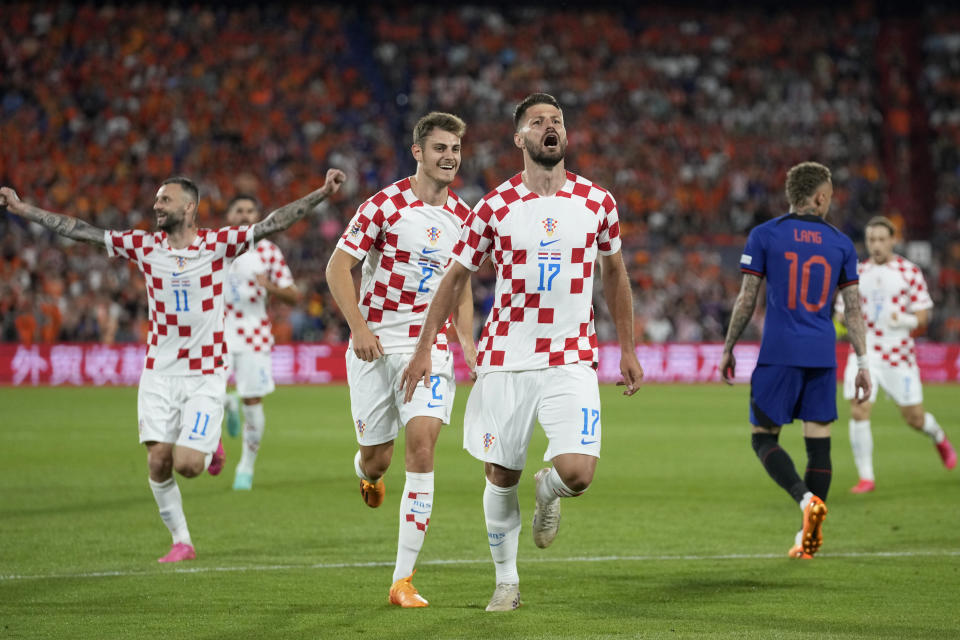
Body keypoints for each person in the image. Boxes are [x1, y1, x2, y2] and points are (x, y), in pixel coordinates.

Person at [0, 169, 345, 562]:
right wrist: (22, 208)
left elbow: (274, 222)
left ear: (189, 207)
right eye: (156, 200)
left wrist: (321, 192)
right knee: (158, 460)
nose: (156, 206)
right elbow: (81, 230)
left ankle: (210, 439)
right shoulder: (145, 246)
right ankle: (182, 540)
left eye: (165, 200)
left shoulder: (218, 245)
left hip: (205, 373)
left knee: (188, 466)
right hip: (160, 372)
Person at [400, 93, 644, 611]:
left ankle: (549, 490)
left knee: (578, 471)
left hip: (572, 356)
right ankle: (506, 581)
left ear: (566, 135)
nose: (549, 127)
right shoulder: (494, 207)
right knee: (500, 475)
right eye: (538, 122)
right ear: (520, 139)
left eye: (557, 120)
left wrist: (627, 346)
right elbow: (454, 280)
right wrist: (425, 347)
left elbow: (616, 274)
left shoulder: (597, 201)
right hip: (507, 358)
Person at [325, 112, 476, 608]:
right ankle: (367, 473)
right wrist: (359, 327)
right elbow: (337, 268)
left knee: (423, 447)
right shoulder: (383, 206)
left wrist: (468, 345)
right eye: (439, 148)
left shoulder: (464, 218)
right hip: (373, 348)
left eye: (454, 148)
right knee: (379, 456)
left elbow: (462, 286)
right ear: (418, 152)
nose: (449, 156)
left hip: (427, 348)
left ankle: (402, 580)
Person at [719, 161, 872, 560]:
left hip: (780, 353)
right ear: (820, 197)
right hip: (822, 355)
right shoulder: (841, 243)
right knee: (819, 446)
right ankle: (809, 536)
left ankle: (806, 502)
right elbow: (853, 311)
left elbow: (747, 298)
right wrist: (864, 362)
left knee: (763, 437)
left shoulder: (765, 235)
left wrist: (728, 347)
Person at [837, 216, 956, 493]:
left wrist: (902, 320)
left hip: (898, 355)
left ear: (892, 240)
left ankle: (937, 436)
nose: (876, 245)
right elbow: (841, 311)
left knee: (913, 417)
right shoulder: (855, 272)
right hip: (864, 353)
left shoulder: (908, 271)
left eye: (881, 239)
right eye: (871, 240)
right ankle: (866, 477)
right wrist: (843, 317)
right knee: (859, 408)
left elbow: (924, 315)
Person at [221, 195, 301, 491]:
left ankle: (246, 466)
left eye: (250, 210)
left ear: (257, 215)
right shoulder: (216, 248)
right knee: (204, 391)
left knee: (253, 401)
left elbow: (293, 294)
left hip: (254, 333)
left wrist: (268, 286)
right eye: (238, 210)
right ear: (229, 215)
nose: (244, 215)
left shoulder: (267, 252)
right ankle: (227, 403)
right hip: (216, 332)